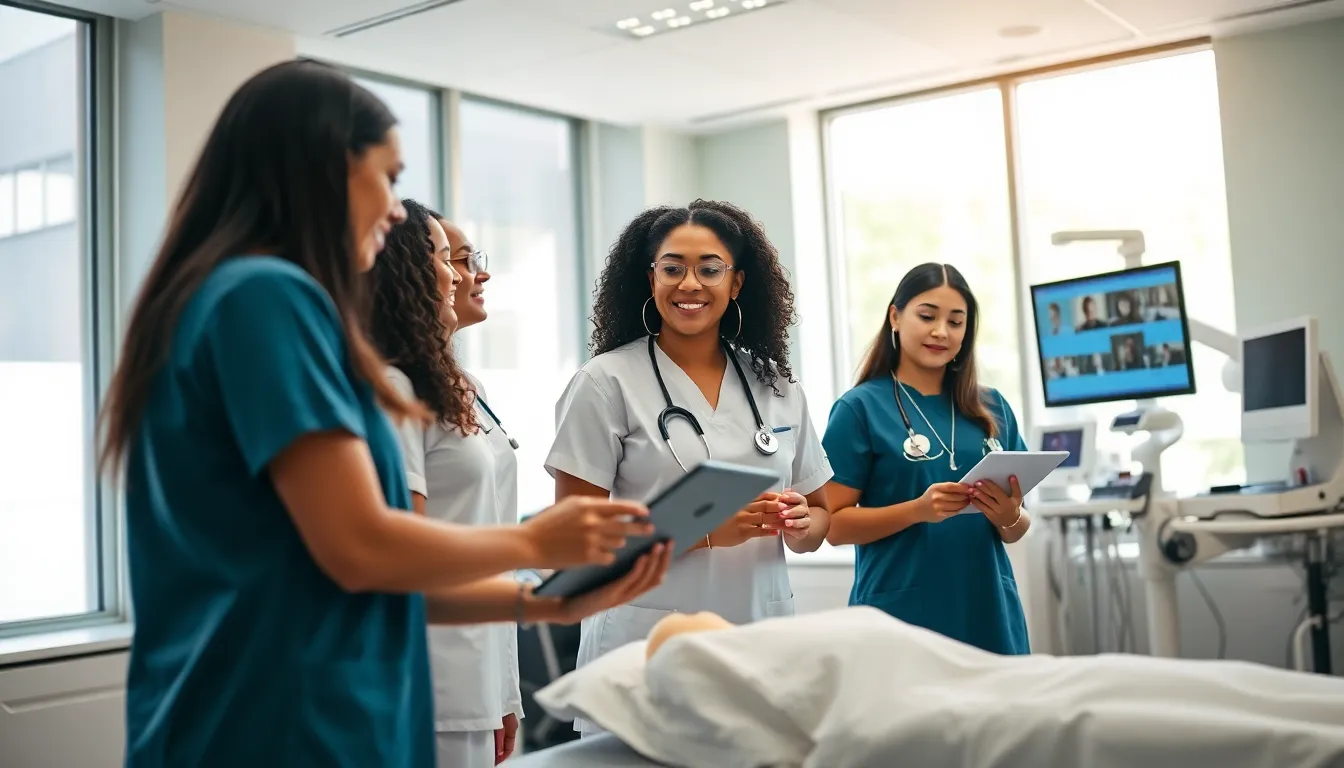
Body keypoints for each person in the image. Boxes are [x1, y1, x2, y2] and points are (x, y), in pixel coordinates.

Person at [97, 60, 671, 768]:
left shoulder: (219, 300)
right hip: (281, 722)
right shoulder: (266, 297)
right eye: (390, 178)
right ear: (322, 171)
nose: (399, 211)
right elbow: (362, 546)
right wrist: (537, 545)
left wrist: (545, 605)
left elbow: (354, 575)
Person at [545, 199, 833, 734]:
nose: (690, 284)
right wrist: (700, 535)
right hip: (644, 643)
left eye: (709, 268)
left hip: (759, 637)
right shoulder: (606, 382)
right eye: (672, 268)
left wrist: (801, 523)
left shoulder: (776, 386)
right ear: (649, 278)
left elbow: (820, 519)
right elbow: (574, 545)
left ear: (738, 282)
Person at [368, 201, 525, 767]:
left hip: (479, 672)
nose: (464, 274)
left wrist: (505, 689)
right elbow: (404, 553)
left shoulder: (465, 384)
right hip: (428, 680)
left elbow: (487, 540)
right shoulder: (394, 389)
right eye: (447, 257)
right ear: (406, 270)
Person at [820, 262, 1031, 655]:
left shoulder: (992, 408)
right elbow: (832, 525)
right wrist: (917, 510)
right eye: (927, 316)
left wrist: (1009, 517)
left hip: (987, 610)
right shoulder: (860, 409)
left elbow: (1018, 526)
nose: (941, 332)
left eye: (956, 321)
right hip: (900, 612)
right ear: (896, 316)